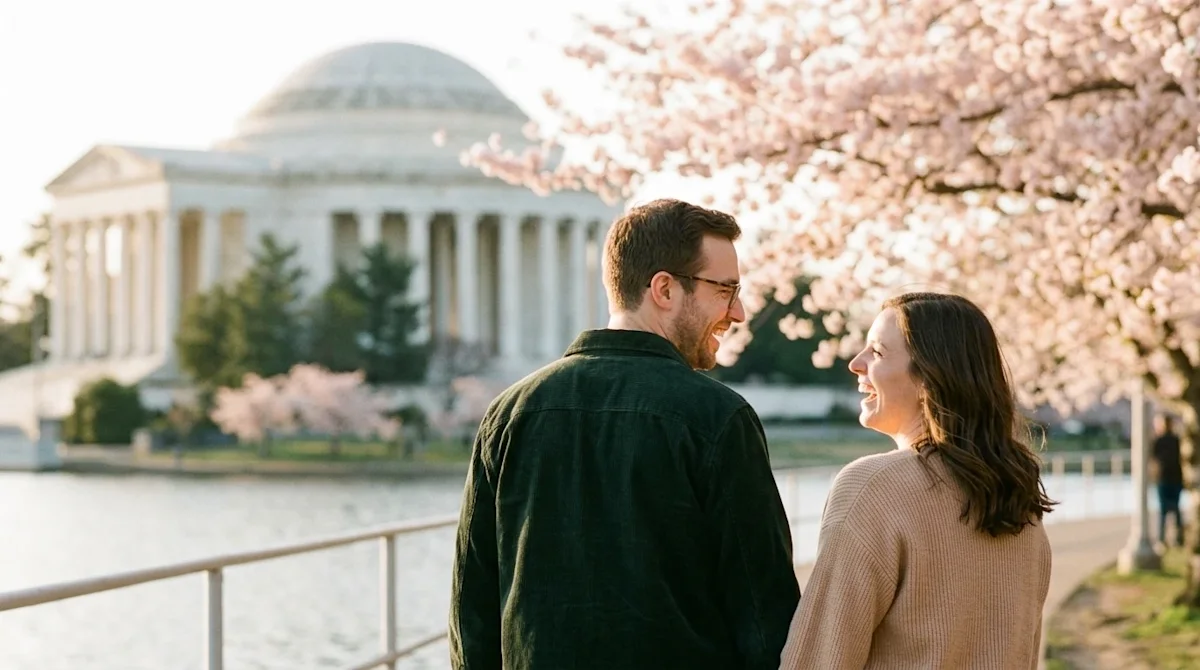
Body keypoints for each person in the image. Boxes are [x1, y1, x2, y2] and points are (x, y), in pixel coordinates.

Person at [449, 198, 800, 670]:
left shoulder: (510, 414)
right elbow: (765, 617)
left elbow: (472, 614)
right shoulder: (716, 417)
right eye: (726, 289)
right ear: (664, 289)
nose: (737, 312)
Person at [778, 292, 1057, 670]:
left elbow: (820, 659)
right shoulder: (1021, 503)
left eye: (876, 352)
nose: (855, 364)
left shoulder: (872, 488)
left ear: (930, 376)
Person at [1151, 414, 1184, 548]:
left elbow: (1154, 460)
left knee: (1167, 510)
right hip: (1170, 478)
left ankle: (1169, 539)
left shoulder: (1164, 440)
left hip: (1167, 478)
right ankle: (1172, 539)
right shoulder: (1174, 440)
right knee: (1172, 509)